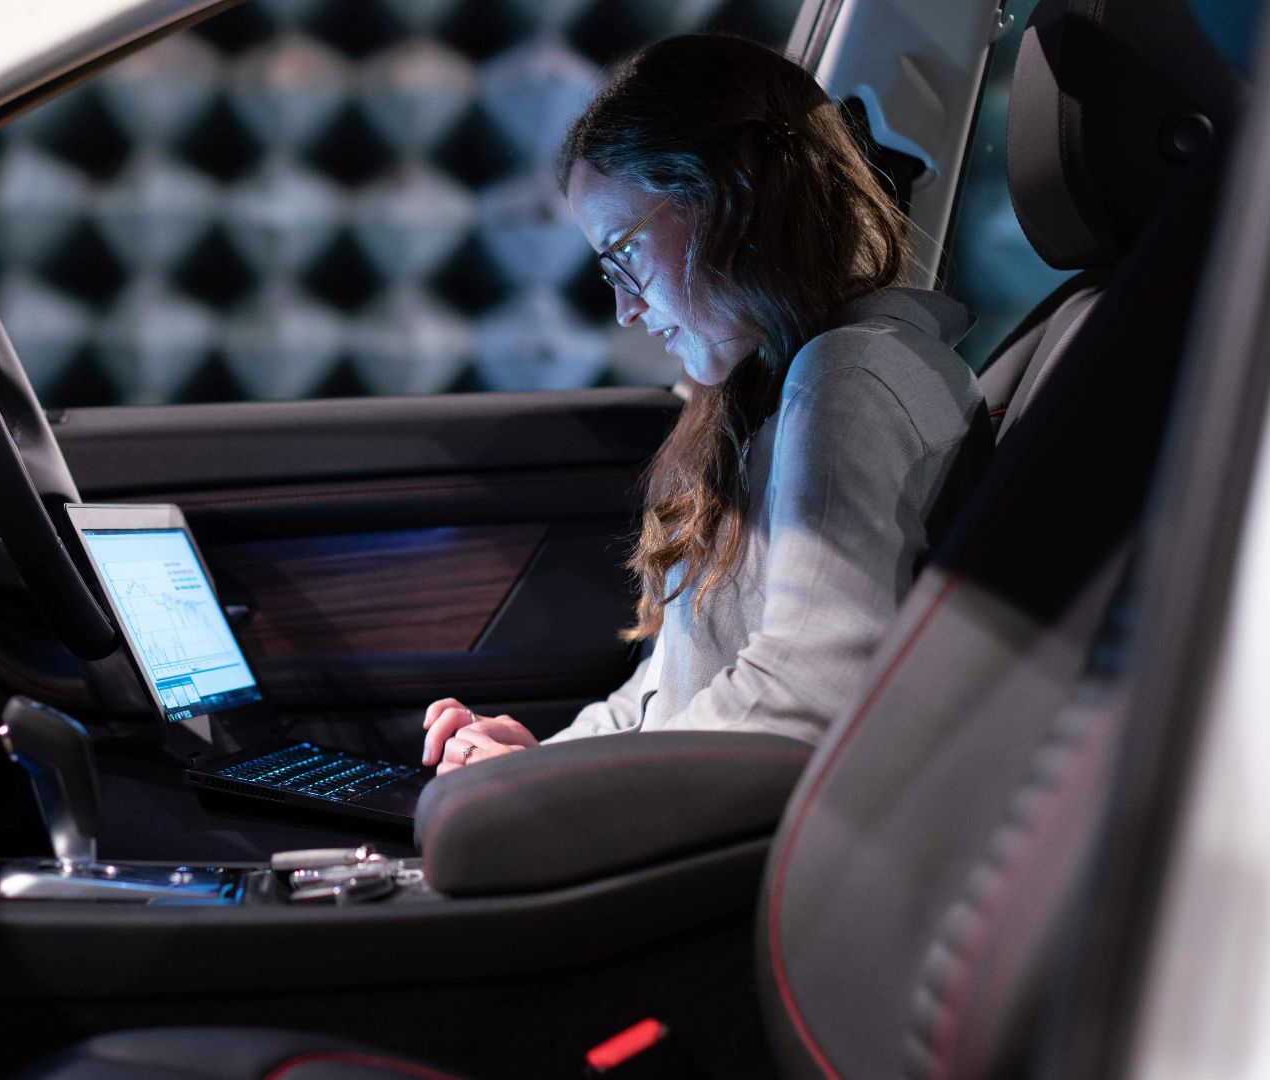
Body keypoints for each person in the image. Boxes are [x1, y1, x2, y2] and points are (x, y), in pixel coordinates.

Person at [422, 34, 986, 775]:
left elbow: (807, 695)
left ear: (730, 203)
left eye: (623, 256)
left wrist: (562, 797)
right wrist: (532, 767)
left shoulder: (849, 378)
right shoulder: (758, 396)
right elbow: (662, 696)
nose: (624, 309)